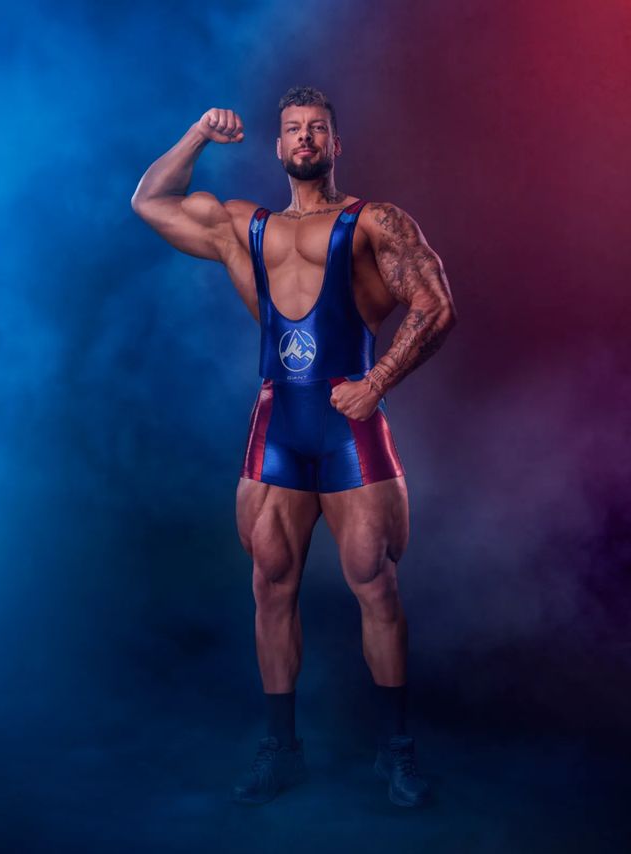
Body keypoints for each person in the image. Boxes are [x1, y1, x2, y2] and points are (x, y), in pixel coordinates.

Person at [132, 87, 456, 807]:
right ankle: (282, 752)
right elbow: (150, 201)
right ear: (277, 148)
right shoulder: (244, 228)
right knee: (270, 584)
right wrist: (194, 134)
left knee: (376, 584)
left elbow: (436, 305)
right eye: (292, 130)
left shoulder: (373, 221)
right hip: (278, 422)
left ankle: (396, 756)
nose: (304, 138)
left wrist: (377, 383)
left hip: (349, 420)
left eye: (317, 129)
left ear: (336, 146)